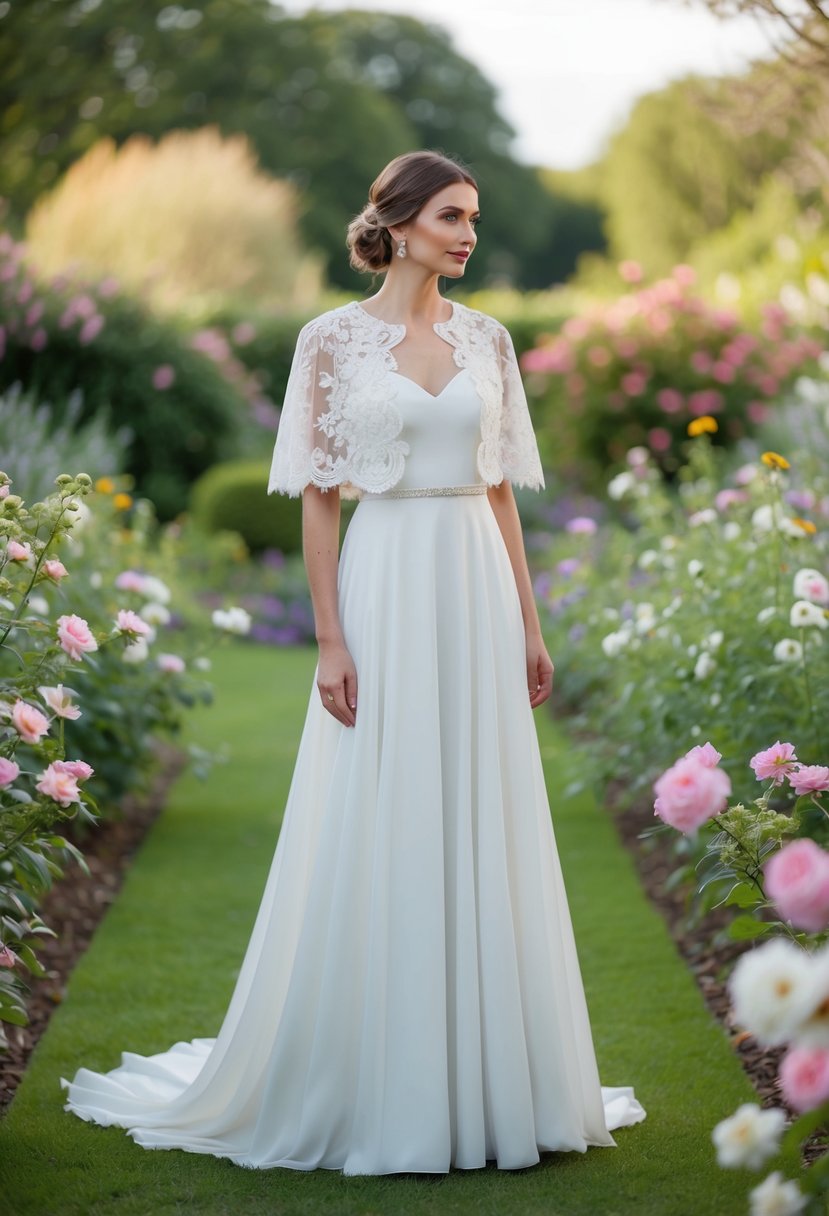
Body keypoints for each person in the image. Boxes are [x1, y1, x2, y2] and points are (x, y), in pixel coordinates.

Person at [61, 150, 645, 1174]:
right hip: (383, 582)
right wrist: (331, 635)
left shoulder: (489, 339)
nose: (468, 234)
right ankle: (381, 1078)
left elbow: (502, 487)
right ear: (403, 219)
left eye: (473, 218)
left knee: (482, 808)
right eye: (453, 216)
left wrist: (531, 620)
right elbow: (321, 498)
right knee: (382, 805)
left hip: (471, 576)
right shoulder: (329, 342)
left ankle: (494, 1076)